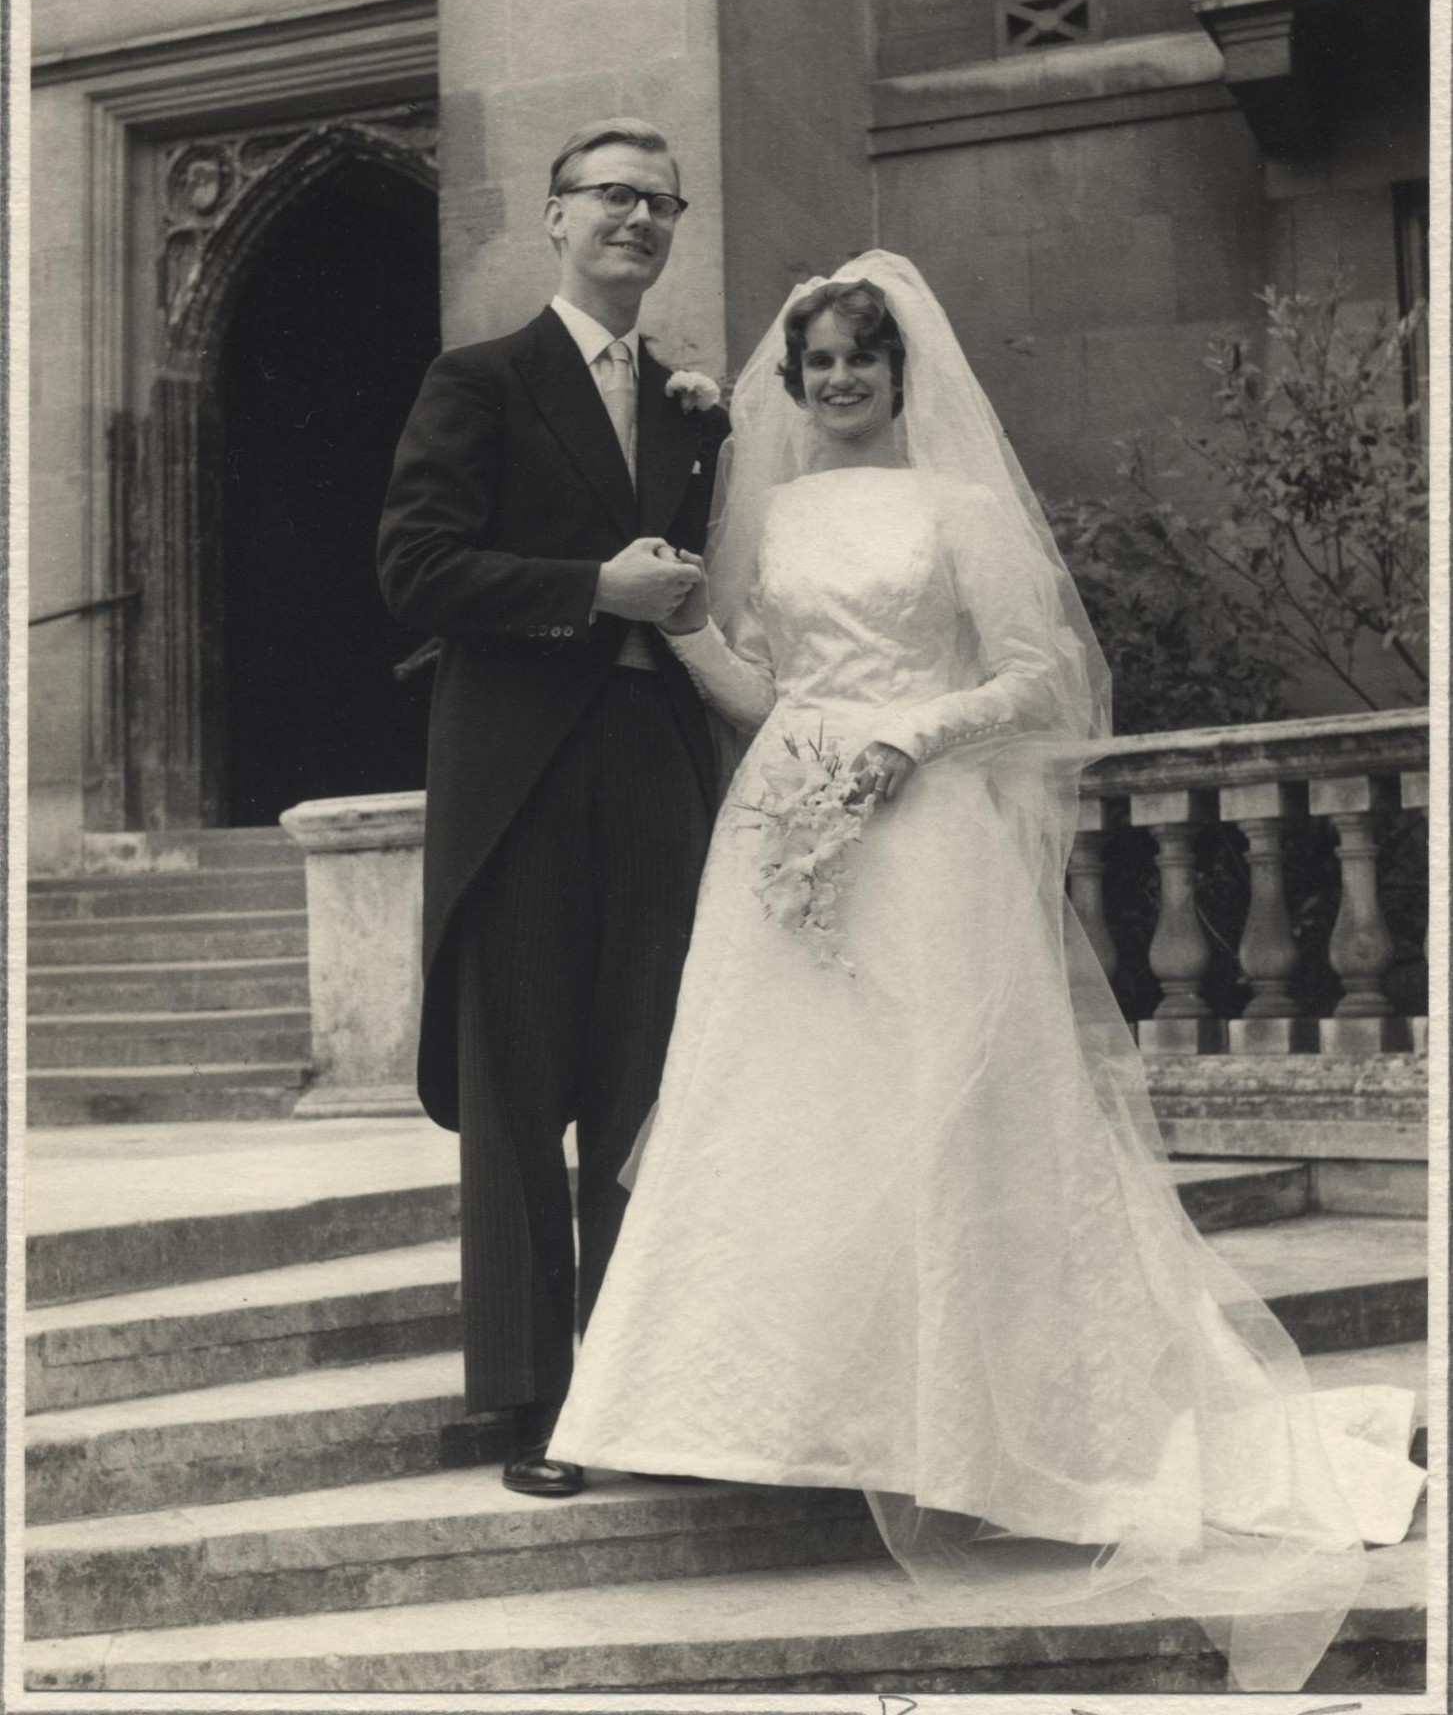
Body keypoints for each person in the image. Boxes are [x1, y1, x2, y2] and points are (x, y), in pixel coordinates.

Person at [551, 252, 1425, 1687]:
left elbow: (1038, 677)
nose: (836, 383)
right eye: (817, 363)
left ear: (902, 377)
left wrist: (913, 736)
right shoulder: (766, 516)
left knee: (941, 1107)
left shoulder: (954, 510)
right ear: (794, 382)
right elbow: (771, 688)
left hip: (928, 824)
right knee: (778, 1109)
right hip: (785, 816)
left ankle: (962, 1423)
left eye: (860, 362)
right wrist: (688, 631)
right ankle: (749, 1416)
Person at [377, 118, 729, 1498]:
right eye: (608, 198)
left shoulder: (695, 412)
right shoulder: (479, 380)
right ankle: (527, 1408)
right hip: (520, 770)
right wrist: (590, 590)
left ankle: (633, 1386)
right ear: (554, 219)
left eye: (658, 202)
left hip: (655, 760)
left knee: (645, 1087)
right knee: (519, 1087)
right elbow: (417, 571)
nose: (633, 219)